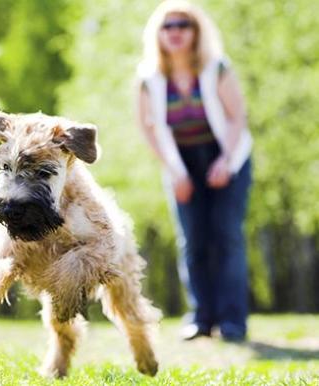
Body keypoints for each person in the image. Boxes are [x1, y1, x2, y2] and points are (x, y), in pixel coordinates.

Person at [136, 0, 253, 342]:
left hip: (227, 156)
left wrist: (226, 161)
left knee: (226, 236)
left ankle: (233, 322)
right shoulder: (148, 78)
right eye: (167, 25)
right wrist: (175, 172)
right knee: (193, 240)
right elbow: (149, 129)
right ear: (158, 33)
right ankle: (200, 318)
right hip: (180, 163)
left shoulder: (216, 67)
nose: (174, 31)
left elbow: (237, 118)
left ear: (196, 32)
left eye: (182, 24)